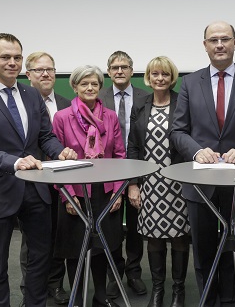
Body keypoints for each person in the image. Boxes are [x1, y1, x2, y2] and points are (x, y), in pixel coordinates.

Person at [0, 33, 77, 307]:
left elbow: (45, 136)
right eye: (5, 57)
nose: (12, 63)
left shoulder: (31, 93)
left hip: (35, 190)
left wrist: (59, 150)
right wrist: (14, 162)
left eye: (16, 57)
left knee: (40, 258)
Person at [170, 21, 235, 306]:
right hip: (200, 184)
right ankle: (207, 300)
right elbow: (178, 130)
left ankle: (230, 300)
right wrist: (195, 151)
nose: (219, 45)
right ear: (204, 45)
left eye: (224, 39)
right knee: (202, 249)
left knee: (232, 246)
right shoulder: (190, 82)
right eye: (213, 40)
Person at [52, 65, 125, 307]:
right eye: (84, 84)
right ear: (74, 87)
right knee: (75, 250)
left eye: (94, 83)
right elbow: (57, 160)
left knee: (102, 247)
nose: (90, 88)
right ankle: (77, 296)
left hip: (105, 192)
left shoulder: (110, 116)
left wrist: (117, 191)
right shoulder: (62, 117)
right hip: (75, 193)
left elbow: (119, 156)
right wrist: (67, 197)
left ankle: (100, 296)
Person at [128, 56, 190, 307]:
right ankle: (157, 290)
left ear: (172, 77)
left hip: (178, 182)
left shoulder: (182, 103)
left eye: (165, 74)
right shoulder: (140, 105)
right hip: (150, 183)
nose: (160, 79)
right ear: (148, 77)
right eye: (155, 74)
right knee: (153, 237)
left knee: (179, 236)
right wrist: (133, 183)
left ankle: (178, 290)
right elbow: (133, 147)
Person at [17, 52, 71, 305]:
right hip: (30, 180)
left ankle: (54, 285)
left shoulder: (66, 103)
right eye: (39, 70)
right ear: (28, 75)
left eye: (50, 69)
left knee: (58, 235)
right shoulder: (19, 103)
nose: (46, 74)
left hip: (59, 180)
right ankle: (30, 287)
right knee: (33, 239)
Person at [99, 51, 149, 299]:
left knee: (137, 224)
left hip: (139, 167)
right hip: (108, 172)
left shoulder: (146, 97)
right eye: (115, 67)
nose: (119, 71)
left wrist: (135, 182)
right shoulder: (98, 97)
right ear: (108, 71)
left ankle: (134, 272)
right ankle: (114, 274)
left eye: (124, 67)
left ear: (132, 70)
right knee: (111, 226)